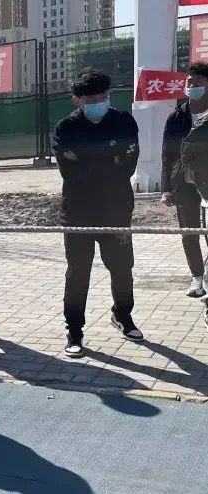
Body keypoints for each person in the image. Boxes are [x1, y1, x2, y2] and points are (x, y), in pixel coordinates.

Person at [52, 68, 144, 358]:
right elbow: (70, 172)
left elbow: (128, 165)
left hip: (116, 210)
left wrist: (87, 159)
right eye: (91, 99)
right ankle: (74, 330)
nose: (98, 103)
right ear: (77, 100)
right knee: (78, 272)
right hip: (77, 212)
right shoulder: (66, 128)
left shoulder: (123, 122)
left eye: (103, 97)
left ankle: (122, 315)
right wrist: (110, 159)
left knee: (122, 268)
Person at [161, 62, 208, 298]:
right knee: (189, 232)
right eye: (190, 81)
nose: (193, 85)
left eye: (198, 81)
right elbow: (167, 155)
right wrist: (166, 189)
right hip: (183, 183)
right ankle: (197, 277)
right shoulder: (176, 116)